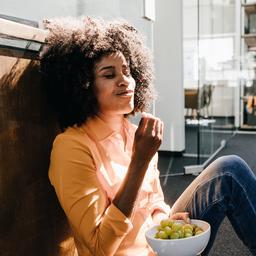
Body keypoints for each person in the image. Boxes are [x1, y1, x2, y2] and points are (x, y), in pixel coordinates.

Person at [40, 17, 256, 256]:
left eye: (127, 71)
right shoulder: (71, 147)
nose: (125, 81)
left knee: (229, 169)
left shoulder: (136, 133)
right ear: (83, 85)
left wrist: (165, 218)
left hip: (158, 247)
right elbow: (101, 247)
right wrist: (139, 161)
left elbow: (153, 200)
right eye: (109, 74)